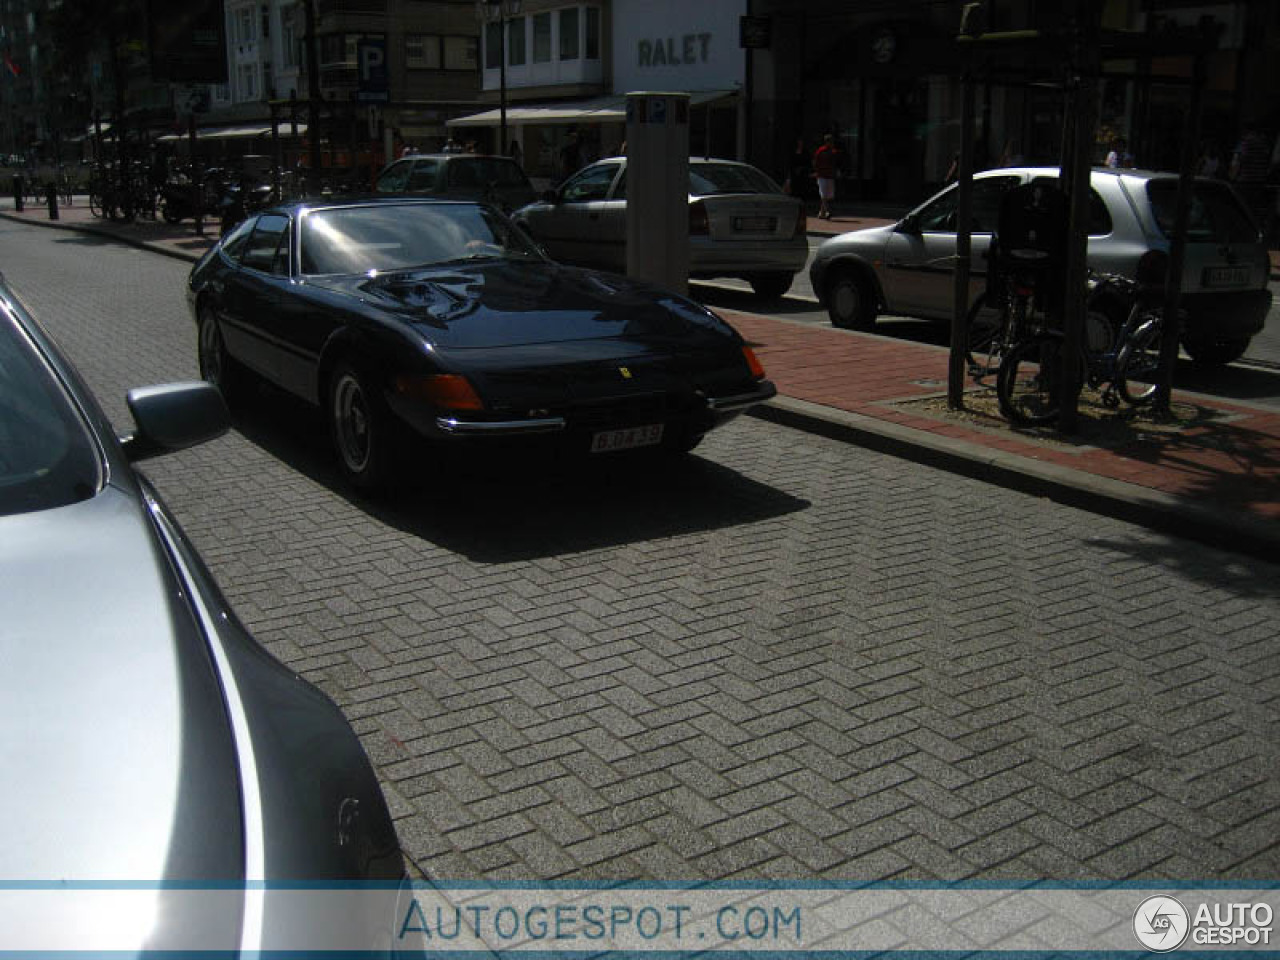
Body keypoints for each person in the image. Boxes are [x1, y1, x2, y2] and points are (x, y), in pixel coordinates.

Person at [812, 133, 838, 220]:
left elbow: (835, 163)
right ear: (826, 142)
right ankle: (827, 212)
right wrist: (817, 171)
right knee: (824, 195)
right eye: (829, 142)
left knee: (828, 195)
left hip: (829, 176)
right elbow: (816, 162)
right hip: (822, 175)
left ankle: (821, 212)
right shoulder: (821, 151)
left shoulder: (833, 152)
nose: (831, 143)